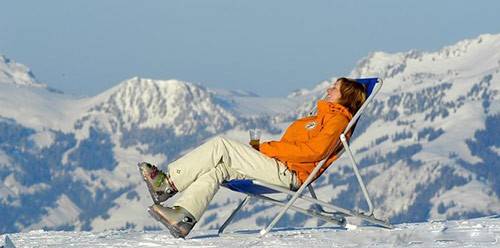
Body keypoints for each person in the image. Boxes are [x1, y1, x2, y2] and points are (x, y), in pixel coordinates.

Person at [139, 77, 367, 238]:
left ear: (345, 96)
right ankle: (183, 217)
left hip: (289, 173)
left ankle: (167, 184)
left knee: (221, 145)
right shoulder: (321, 116)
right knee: (218, 168)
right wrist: (266, 151)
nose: (328, 89)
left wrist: (266, 149)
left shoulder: (337, 121)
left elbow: (315, 152)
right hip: (278, 165)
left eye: (335, 88)